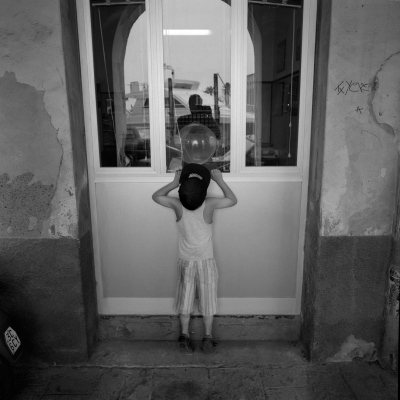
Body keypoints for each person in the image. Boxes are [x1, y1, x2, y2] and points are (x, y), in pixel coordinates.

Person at [152, 163, 237, 353]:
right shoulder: (210, 204)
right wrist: (220, 180)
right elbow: (232, 200)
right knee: (208, 302)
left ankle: (184, 334)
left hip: (186, 261)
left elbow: (156, 196)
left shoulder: (177, 204)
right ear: (203, 190)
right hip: (206, 261)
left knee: (185, 301)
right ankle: (207, 338)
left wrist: (174, 182)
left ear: (182, 189)